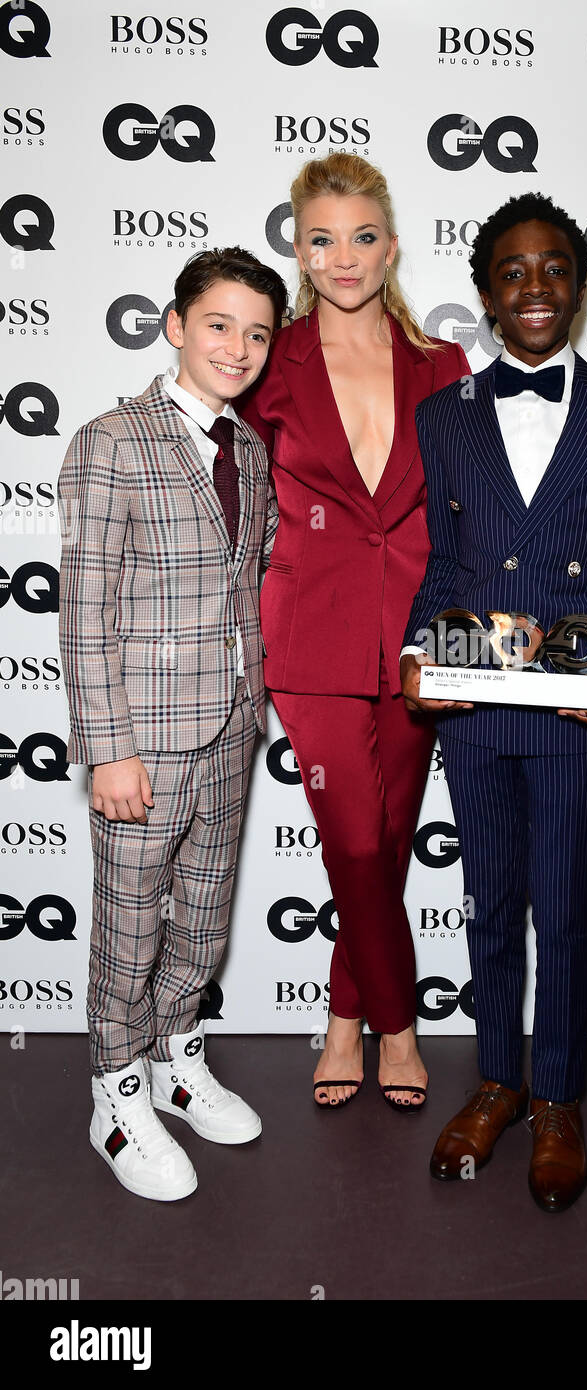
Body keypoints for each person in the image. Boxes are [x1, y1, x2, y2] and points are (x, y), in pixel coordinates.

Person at [401, 192, 587, 1211]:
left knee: (561, 913)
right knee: (490, 911)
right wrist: (413, 653)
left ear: (580, 283)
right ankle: (498, 1083)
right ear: (484, 292)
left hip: (572, 714)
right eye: (512, 271)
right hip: (471, 713)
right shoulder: (445, 418)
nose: (534, 287)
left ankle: (557, 1099)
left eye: (553, 267)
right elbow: (440, 566)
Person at [239, 153, 469, 1110]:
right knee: (357, 844)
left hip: (418, 636)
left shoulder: (444, 365)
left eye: (363, 236)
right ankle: (397, 1026)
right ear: (298, 249)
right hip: (311, 635)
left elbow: (465, 509)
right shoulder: (268, 361)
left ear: (393, 245)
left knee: (387, 835)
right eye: (323, 239)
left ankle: (341, 1020)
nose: (344, 257)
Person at [58, 247, 288, 1201]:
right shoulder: (112, 439)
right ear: (177, 326)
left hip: (232, 726)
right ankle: (114, 1092)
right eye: (221, 325)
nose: (239, 347)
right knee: (128, 925)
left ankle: (175, 1057)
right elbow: (84, 608)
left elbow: (254, 581)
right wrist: (108, 748)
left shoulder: (251, 447)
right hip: (142, 743)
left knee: (201, 916)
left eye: (258, 332)